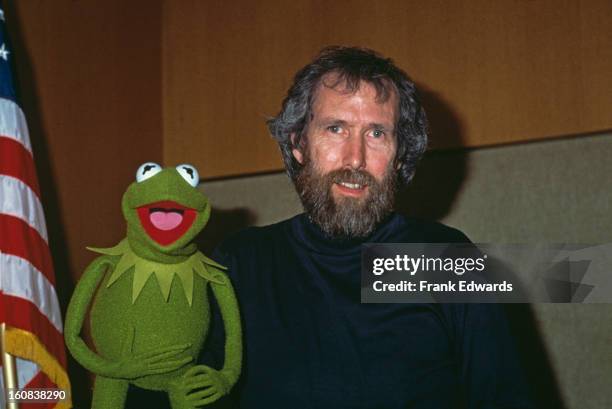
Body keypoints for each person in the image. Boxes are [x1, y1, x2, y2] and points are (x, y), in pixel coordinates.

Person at [198, 46, 534, 409]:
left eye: (376, 134)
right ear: (298, 143)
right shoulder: (242, 263)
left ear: (399, 155)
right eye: (336, 128)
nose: (355, 158)